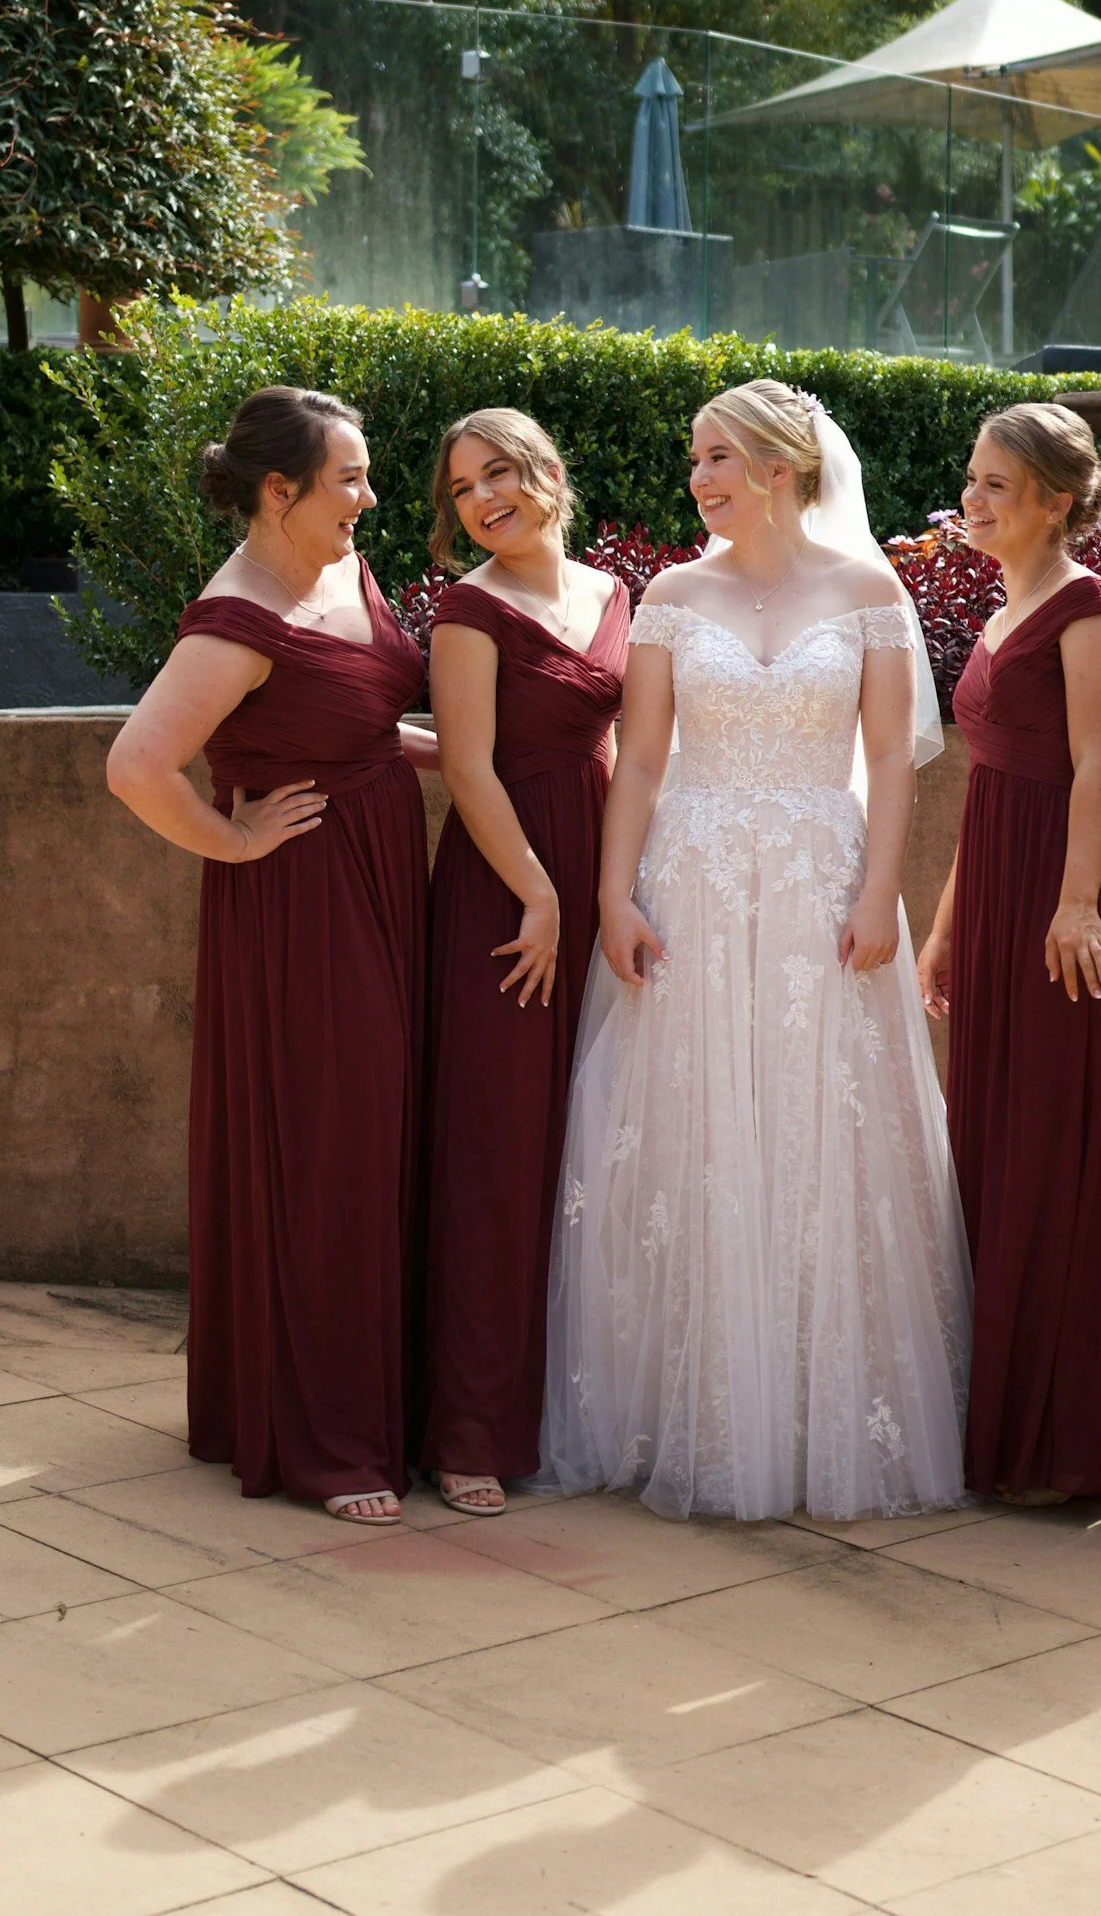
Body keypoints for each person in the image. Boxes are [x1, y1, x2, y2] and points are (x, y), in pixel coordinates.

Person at [541, 380, 971, 1521]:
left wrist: (882, 893)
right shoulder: (673, 594)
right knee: (699, 1130)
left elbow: (889, 761)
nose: (699, 477)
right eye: (695, 459)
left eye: (717, 457)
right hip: (690, 881)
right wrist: (609, 896)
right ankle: (694, 1410)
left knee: (817, 1129)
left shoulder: (868, 588)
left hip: (821, 888)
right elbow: (636, 762)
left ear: (781, 466)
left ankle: (816, 1414)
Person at [106, 387, 434, 1521]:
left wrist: (485, 764)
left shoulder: (339, 568)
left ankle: (305, 1397)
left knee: (374, 1134)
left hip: (383, 883)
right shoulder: (235, 618)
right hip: (304, 906)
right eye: (349, 477)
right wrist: (236, 841)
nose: (369, 495)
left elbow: (359, 718)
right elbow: (136, 767)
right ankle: (327, 1440)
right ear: (278, 490)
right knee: (332, 1145)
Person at [918, 404, 1101, 1505]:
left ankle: (1064, 1447)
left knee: (1061, 1162)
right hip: (1001, 897)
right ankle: (999, 1428)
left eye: (995, 485)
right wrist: (947, 923)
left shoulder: (1088, 613)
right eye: (971, 480)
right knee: (994, 1152)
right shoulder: (1000, 607)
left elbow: (1095, 772)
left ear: (1057, 499)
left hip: (1068, 914)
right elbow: (987, 782)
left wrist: (1070, 905)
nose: (972, 500)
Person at [418, 410, 627, 1515]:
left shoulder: (613, 596)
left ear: (547, 470)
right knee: (495, 1153)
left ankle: (563, 1411)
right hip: (507, 894)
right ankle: (466, 1430)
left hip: (600, 875)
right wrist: (539, 890)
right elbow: (465, 765)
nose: (483, 498)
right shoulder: (467, 610)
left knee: (578, 1151)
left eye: (497, 472)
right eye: (460, 489)